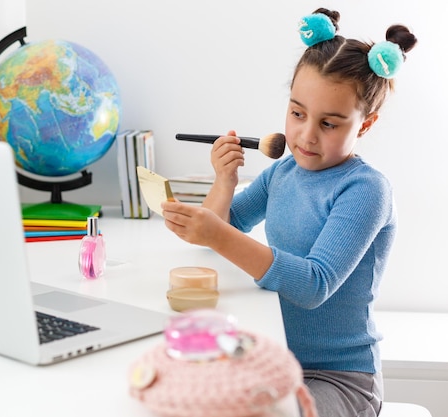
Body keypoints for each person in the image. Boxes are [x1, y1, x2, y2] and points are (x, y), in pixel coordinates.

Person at [161, 8, 417, 417]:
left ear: (364, 125)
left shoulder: (366, 190)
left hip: (340, 379)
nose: (305, 135)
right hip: (275, 357)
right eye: (297, 113)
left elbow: (313, 285)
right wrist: (224, 182)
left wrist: (215, 233)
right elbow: (221, 230)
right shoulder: (283, 172)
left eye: (329, 124)